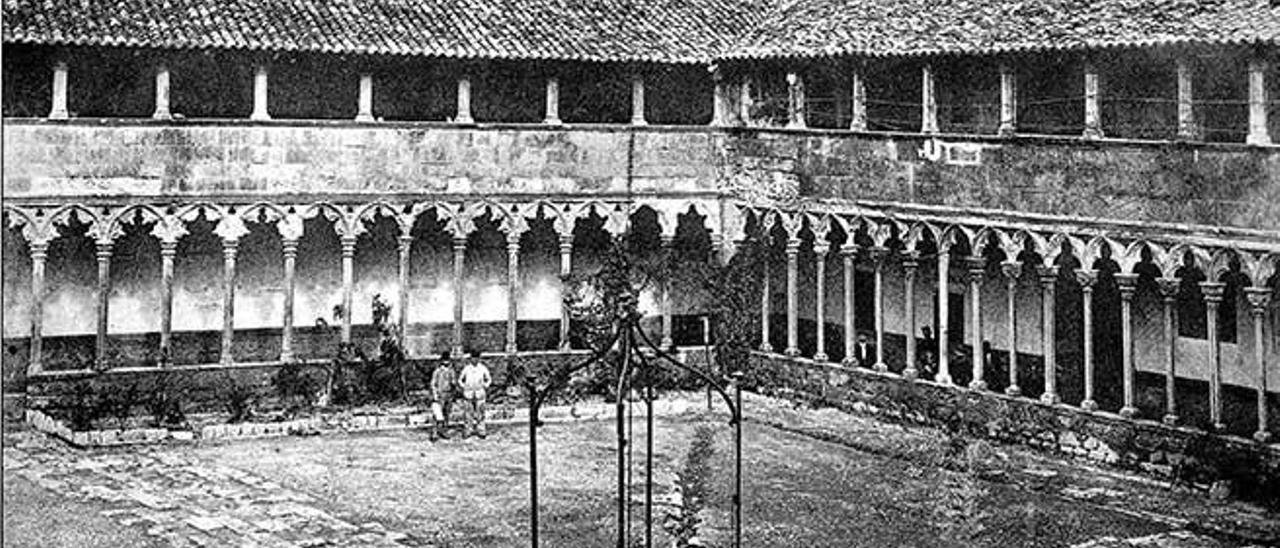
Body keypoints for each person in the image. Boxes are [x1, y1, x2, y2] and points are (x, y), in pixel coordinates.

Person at [458, 350, 493, 438]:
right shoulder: (467, 368)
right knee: (468, 413)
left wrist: (485, 386)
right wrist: (464, 386)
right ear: (470, 359)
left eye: (477, 358)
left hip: (479, 392)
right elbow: (460, 380)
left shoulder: (482, 368)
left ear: (479, 359)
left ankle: (481, 430)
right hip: (468, 393)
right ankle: (468, 430)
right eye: (473, 358)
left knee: (480, 412)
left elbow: (488, 379)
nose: (475, 360)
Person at [430, 351, 456, 441]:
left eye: (448, 361)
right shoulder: (437, 371)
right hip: (440, 394)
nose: (446, 363)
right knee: (437, 414)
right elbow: (433, 384)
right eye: (444, 362)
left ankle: (443, 431)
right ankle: (434, 432)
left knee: (446, 414)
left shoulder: (451, 371)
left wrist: (453, 387)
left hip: (449, 394)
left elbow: (454, 382)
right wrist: (435, 395)